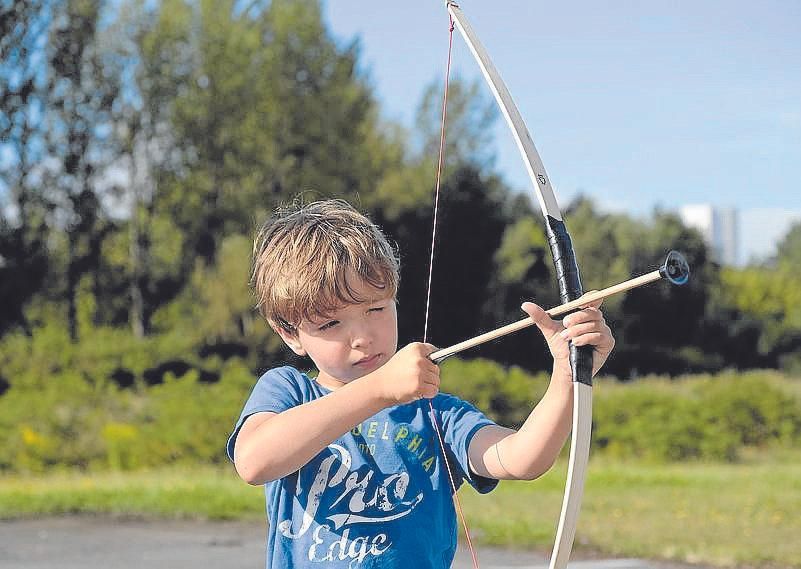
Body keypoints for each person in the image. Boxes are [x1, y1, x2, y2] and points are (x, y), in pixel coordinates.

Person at [227, 199, 614, 568]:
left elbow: (521, 457)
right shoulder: (289, 391)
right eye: (330, 324)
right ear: (290, 334)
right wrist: (380, 389)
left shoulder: (437, 412)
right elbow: (255, 461)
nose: (362, 336)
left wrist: (568, 374)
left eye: (375, 309)